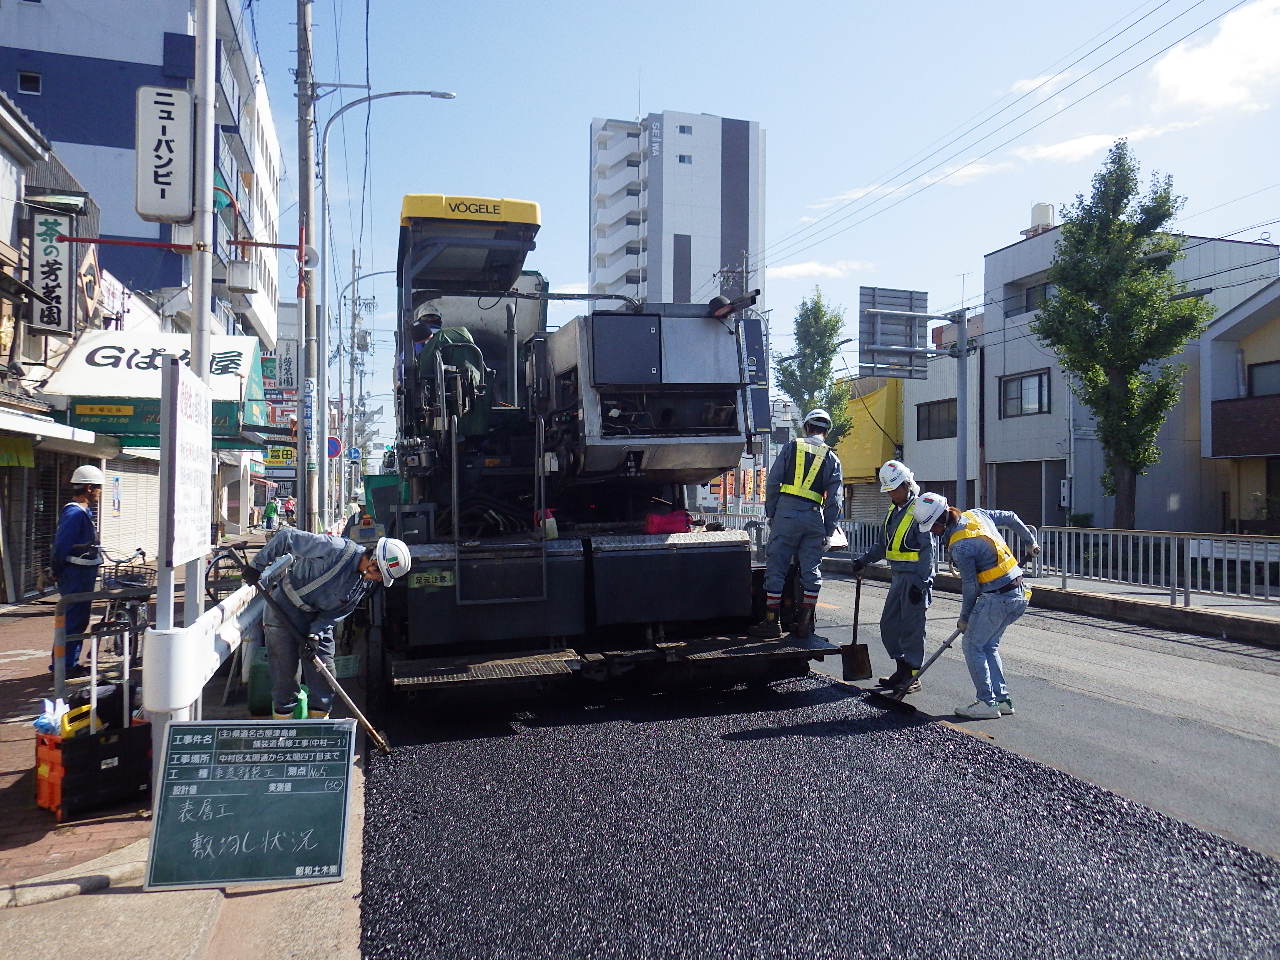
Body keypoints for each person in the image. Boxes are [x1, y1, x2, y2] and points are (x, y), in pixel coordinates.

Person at [244, 529, 412, 719]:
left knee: (324, 672)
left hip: (317, 619)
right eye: (378, 573)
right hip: (284, 609)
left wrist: (315, 634)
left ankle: (320, 729)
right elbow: (287, 537)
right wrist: (256, 566)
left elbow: (339, 612)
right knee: (285, 675)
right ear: (372, 558)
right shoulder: (335, 549)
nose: (377, 579)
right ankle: (285, 725)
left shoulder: (363, 584)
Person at [913, 492, 1040, 720]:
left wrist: (965, 617)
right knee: (988, 645)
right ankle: (1002, 700)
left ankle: (986, 702)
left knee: (972, 644)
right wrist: (1030, 541)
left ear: (942, 521)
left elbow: (970, 586)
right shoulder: (976, 514)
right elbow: (1010, 517)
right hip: (1019, 594)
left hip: (998, 598)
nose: (932, 532)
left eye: (933, 528)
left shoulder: (961, 547)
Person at [748, 408, 843, 640]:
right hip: (814, 519)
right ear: (826, 432)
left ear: (807, 428)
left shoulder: (792, 447)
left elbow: (773, 482)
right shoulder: (832, 457)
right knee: (811, 571)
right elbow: (836, 500)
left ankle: (772, 623)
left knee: (777, 567)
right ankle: (804, 624)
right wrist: (829, 531)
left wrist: (772, 512)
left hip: (787, 516)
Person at [849, 460, 934, 694]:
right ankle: (902, 669)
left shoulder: (920, 509)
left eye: (895, 489)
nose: (891, 494)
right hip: (898, 577)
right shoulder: (893, 510)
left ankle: (913, 675)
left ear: (907, 485)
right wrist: (863, 560)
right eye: (888, 490)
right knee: (889, 625)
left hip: (915, 579)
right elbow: (882, 545)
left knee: (912, 628)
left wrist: (924, 583)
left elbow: (928, 550)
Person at [50, 465, 105, 678]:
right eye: (98, 488)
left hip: (83, 572)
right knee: (73, 620)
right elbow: (62, 545)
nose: (100, 492)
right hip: (75, 573)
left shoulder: (83, 512)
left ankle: (65, 663)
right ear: (89, 488)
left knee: (78, 620)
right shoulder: (74, 513)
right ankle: (64, 667)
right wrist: (56, 570)